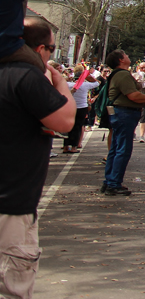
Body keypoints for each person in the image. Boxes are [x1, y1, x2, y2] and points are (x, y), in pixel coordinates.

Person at [0, 17, 75, 298]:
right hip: (11, 201)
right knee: (12, 283)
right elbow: (65, 121)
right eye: (53, 50)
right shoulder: (25, 76)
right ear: (41, 48)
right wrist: (61, 83)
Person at [102, 50, 145, 196]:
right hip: (124, 113)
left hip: (119, 112)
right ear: (120, 60)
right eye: (126, 55)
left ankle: (109, 181)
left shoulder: (118, 74)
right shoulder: (123, 75)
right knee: (122, 150)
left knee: (116, 148)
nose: (128, 57)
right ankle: (113, 183)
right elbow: (133, 96)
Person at [63, 64, 100, 153]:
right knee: (78, 127)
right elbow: (97, 83)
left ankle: (66, 146)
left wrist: (67, 79)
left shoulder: (68, 84)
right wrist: (88, 77)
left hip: (69, 107)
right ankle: (74, 147)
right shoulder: (85, 85)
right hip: (82, 107)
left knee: (68, 126)